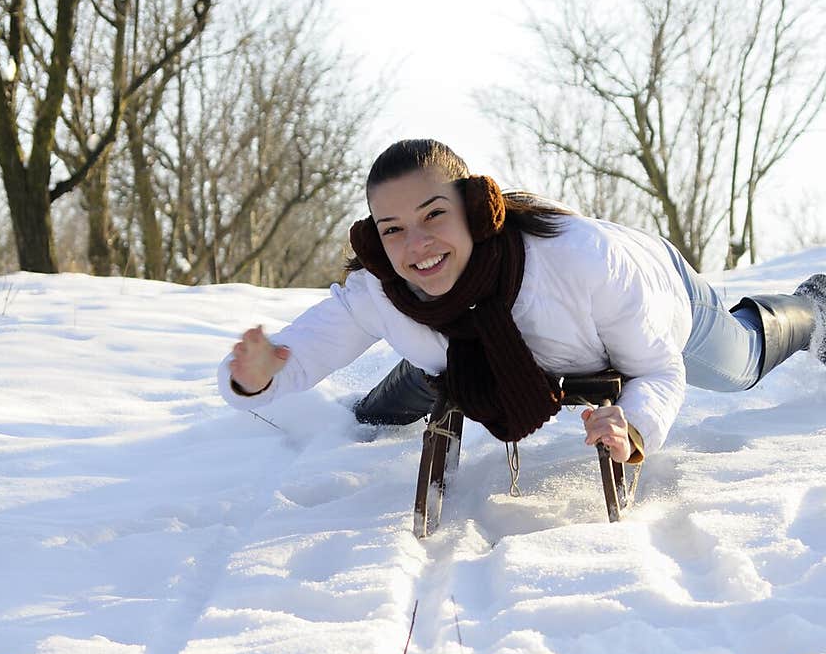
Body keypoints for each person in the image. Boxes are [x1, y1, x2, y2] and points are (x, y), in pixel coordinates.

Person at [218, 139, 826, 469]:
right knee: (442, 368)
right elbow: (295, 357)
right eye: (393, 228)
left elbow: (657, 370)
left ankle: (813, 308)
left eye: (434, 216)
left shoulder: (583, 263)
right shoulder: (383, 287)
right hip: (490, 347)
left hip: (663, 293)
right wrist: (256, 375)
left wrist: (633, 424)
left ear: (477, 211)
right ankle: (372, 416)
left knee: (739, 363)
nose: (417, 245)